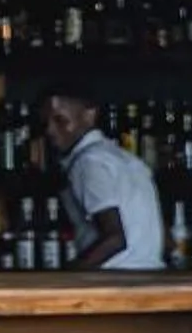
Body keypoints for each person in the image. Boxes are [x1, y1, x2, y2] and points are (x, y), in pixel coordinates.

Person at [42, 86, 165, 270]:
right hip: (150, 276)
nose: (49, 130)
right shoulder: (128, 160)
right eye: (45, 123)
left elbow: (115, 239)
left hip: (116, 280)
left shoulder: (89, 163)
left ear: (89, 115)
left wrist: (67, 275)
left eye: (60, 120)